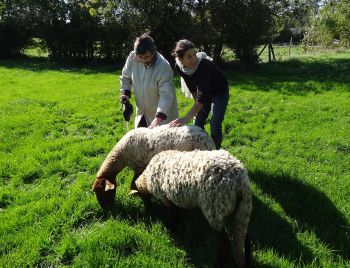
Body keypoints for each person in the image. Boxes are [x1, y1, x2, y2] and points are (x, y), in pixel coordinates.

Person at [169, 39, 229, 149]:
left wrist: (186, 118)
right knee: (197, 123)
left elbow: (202, 97)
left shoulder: (203, 65)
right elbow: (191, 86)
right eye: (189, 56)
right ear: (180, 59)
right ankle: (200, 149)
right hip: (205, 92)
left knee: (215, 124)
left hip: (220, 91)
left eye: (194, 54)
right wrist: (197, 109)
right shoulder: (179, 67)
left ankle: (216, 151)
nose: (194, 59)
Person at [120, 33, 178, 128]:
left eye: (146, 57)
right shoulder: (132, 57)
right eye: (140, 57)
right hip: (142, 113)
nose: (143, 60)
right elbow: (126, 77)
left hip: (161, 116)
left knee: (161, 142)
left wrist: (159, 116)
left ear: (154, 51)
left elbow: (166, 94)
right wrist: (125, 94)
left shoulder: (163, 66)